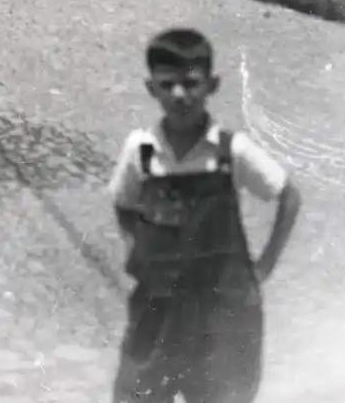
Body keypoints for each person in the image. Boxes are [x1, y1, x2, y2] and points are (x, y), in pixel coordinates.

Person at [109, 28, 301, 403]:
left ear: (211, 85)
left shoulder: (231, 152)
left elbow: (288, 197)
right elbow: (123, 203)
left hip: (222, 310)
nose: (180, 95)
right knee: (139, 393)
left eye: (191, 83)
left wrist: (263, 267)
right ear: (152, 89)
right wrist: (138, 249)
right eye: (168, 85)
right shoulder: (142, 151)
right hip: (160, 308)